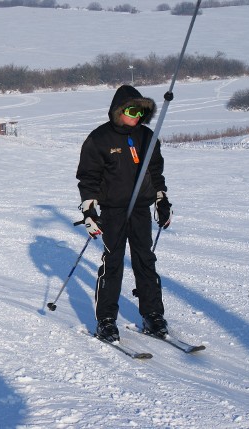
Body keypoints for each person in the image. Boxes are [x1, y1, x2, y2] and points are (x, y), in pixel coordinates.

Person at [76, 84, 173, 343]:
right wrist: (89, 210)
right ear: (118, 111)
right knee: (114, 262)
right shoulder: (99, 138)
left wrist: (162, 200)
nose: (136, 116)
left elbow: (155, 172)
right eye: (131, 110)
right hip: (113, 210)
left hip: (140, 207)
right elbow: (88, 178)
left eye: (141, 112)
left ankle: (153, 315)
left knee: (145, 261)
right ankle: (106, 320)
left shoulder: (147, 137)